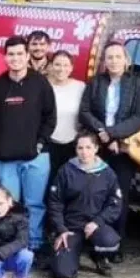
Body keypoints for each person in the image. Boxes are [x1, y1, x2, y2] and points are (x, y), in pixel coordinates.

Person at [0, 35, 56, 262]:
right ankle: (9, 248)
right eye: (11, 54)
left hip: (36, 158)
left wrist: (40, 142)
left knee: (35, 204)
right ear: (5, 57)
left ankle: (32, 247)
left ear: (27, 56)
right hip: (5, 159)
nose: (15, 58)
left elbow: (50, 117)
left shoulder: (41, 83)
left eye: (19, 54)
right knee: (8, 207)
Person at [79, 41, 140, 262]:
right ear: (104, 62)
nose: (113, 61)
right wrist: (103, 133)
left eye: (118, 57)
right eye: (109, 57)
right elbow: (85, 111)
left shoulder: (138, 85)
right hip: (98, 147)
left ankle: (115, 245)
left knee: (118, 197)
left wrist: (114, 134)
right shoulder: (95, 83)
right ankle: (94, 242)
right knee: (94, 195)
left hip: (124, 148)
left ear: (126, 60)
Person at [48, 132, 122, 278]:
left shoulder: (108, 173)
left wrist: (97, 222)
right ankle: (69, 254)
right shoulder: (66, 170)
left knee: (110, 242)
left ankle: (98, 256)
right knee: (62, 272)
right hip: (71, 227)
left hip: (95, 226)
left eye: (88, 147)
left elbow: (115, 203)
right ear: (75, 150)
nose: (84, 152)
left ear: (96, 148)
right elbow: (55, 202)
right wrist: (61, 229)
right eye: (80, 148)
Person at [47, 51, 86, 182]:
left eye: (65, 65)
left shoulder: (80, 87)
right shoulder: (44, 87)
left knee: (70, 183)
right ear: (51, 66)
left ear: (71, 67)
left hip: (73, 144)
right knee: (50, 182)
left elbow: (86, 114)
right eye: (57, 64)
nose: (61, 69)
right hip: (48, 144)